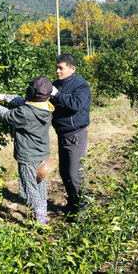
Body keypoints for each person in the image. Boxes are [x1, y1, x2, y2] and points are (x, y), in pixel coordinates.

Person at [0, 75, 54, 224]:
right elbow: (24, 101)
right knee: (39, 184)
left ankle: (40, 220)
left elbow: (7, 115)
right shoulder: (45, 106)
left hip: (28, 157)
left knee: (30, 188)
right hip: (41, 154)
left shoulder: (26, 113)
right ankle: (43, 211)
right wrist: (6, 97)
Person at [50, 53, 92, 217]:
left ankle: (84, 208)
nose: (58, 71)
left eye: (61, 68)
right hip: (62, 133)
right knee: (65, 172)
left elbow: (75, 104)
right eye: (56, 68)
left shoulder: (80, 85)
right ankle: (73, 205)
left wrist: (58, 95)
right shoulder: (56, 84)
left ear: (72, 69)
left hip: (75, 134)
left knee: (74, 174)